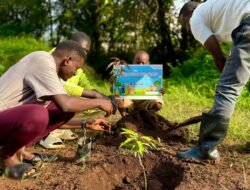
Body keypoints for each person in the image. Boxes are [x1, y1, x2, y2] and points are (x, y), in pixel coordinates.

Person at [0, 40, 113, 179]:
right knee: (39, 113)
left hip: (7, 122)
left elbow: (52, 117)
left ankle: (18, 149)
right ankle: (6, 157)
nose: (75, 73)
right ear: (67, 60)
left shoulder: (53, 75)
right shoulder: (42, 60)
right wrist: (98, 101)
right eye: (76, 68)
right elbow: (65, 104)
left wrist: (86, 123)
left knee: (55, 110)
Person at [177, 0, 250, 160]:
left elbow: (219, 58)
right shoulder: (215, 6)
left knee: (228, 90)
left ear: (189, 14)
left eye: (185, 24)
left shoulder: (196, 18)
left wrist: (228, 79)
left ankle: (206, 149)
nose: (189, 29)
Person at [40, 32, 110, 149]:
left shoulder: (77, 65)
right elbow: (60, 86)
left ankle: (60, 128)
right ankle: (46, 134)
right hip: (48, 102)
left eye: (86, 51)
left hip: (60, 102)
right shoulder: (50, 58)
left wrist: (105, 97)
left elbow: (86, 84)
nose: (83, 54)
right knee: (70, 102)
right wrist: (93, 96)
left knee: (82, 103)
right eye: (81, 49)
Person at [118, 50, 165, 116]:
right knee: (121, 101)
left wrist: (160, 92)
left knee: (158, 104)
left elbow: (157, 91)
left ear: (148, 64)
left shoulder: (153, 75)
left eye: (143, 63)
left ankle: (147, 116)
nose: (140, 65)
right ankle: (126, 118)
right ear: (133, 62)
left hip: (145, 102)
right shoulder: (126, 73)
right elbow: (118, 90)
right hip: (130, 102)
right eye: (138, 62)